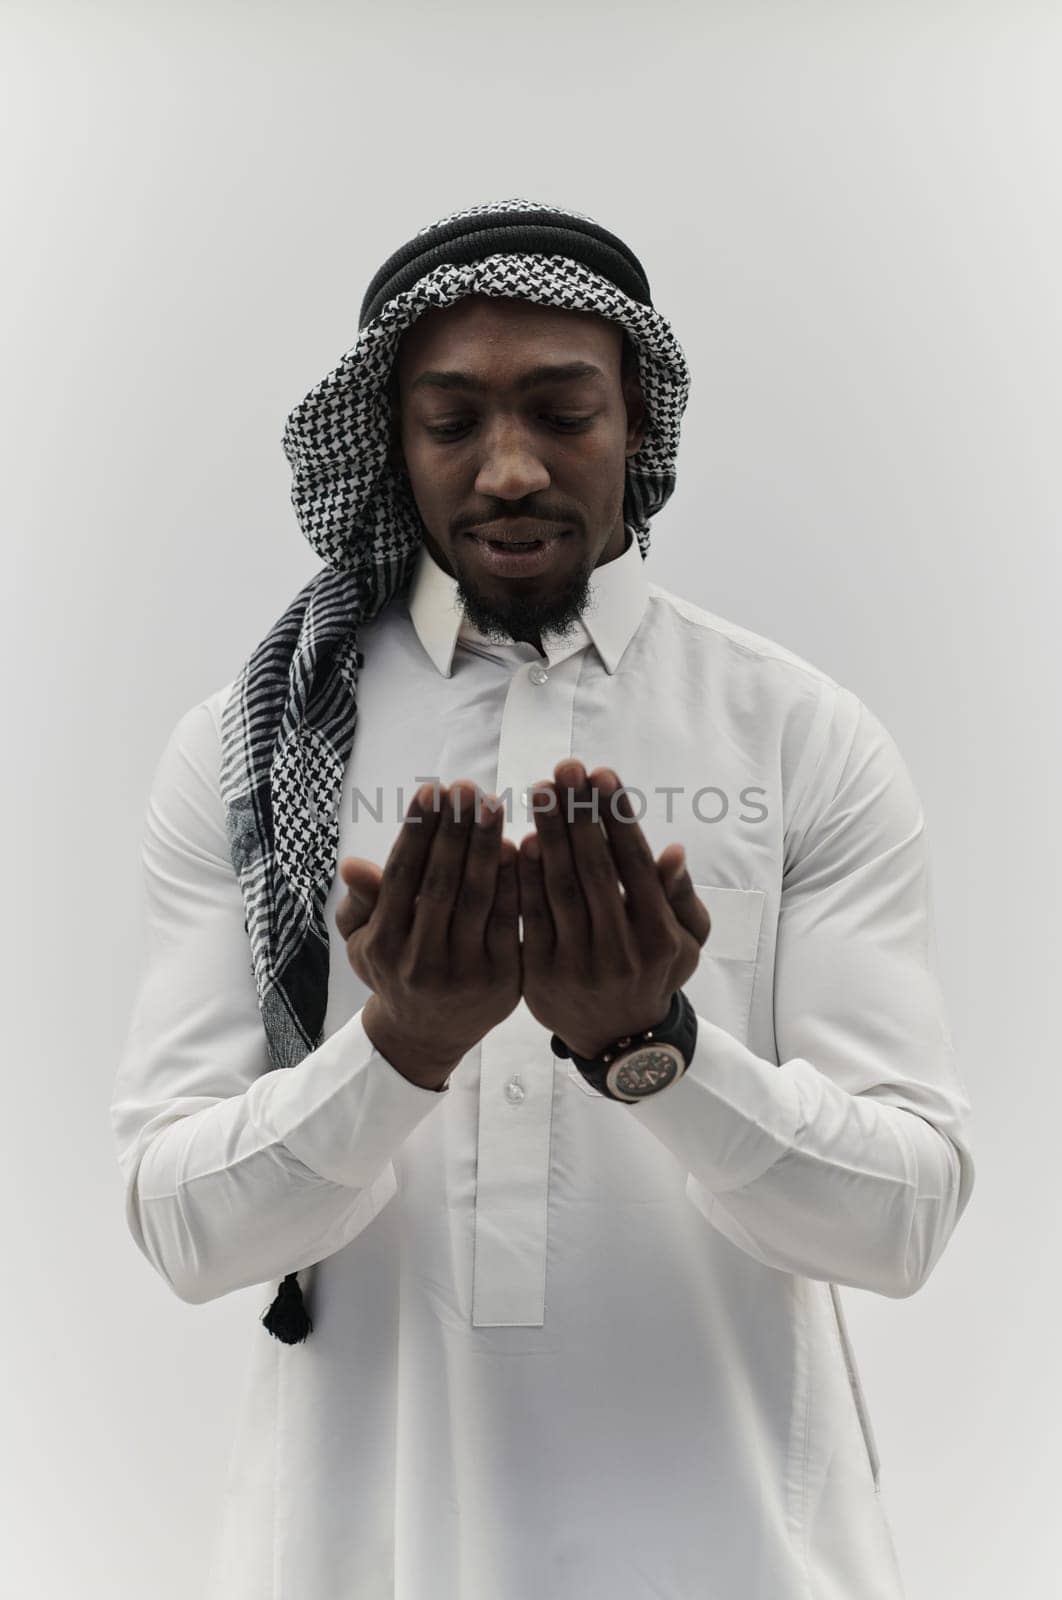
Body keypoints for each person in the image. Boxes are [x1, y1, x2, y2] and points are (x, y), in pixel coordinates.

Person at [111, 198, 976, 1600]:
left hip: (742, 1556)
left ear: (638, 423)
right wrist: (400, 1053)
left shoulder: (799, 737)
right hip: (357, 1556)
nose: (508, 469)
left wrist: (660, 1053)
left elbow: (905, 1224)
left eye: (561, 412)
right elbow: (184, 1231)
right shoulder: (249, 752)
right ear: (393, 446)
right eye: (453, 422)